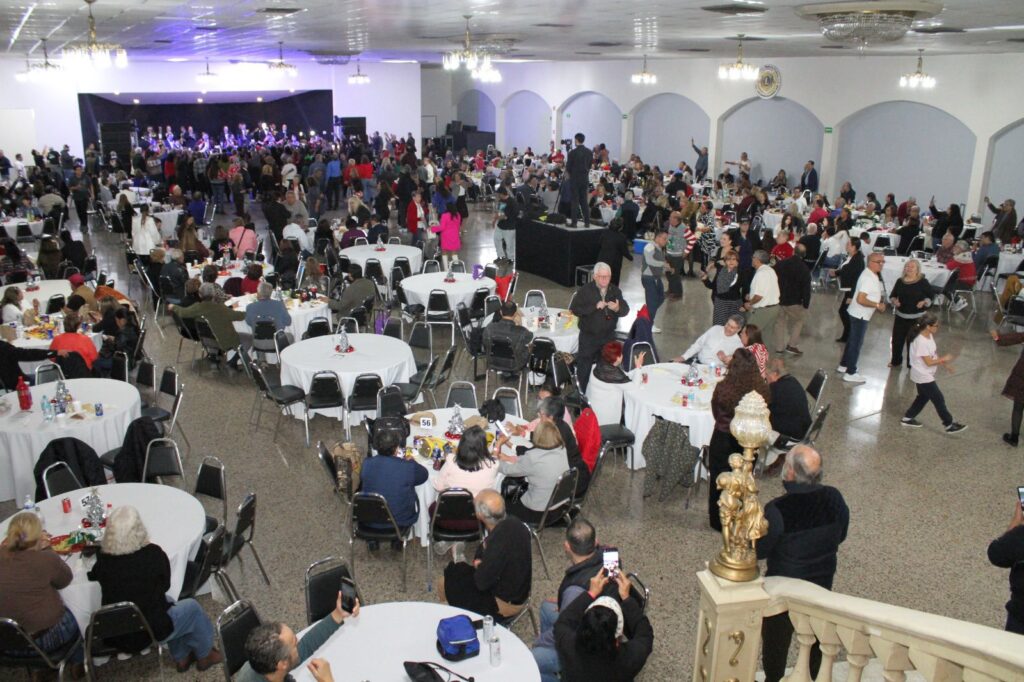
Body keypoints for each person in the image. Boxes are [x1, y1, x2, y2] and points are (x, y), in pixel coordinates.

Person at [87, 506, 222, 672]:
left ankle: (183, 657)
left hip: (115, 629)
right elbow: (166, 585)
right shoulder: (152, 554)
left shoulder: (104, 558)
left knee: (169, 603)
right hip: (148, 629)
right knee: (191, 608)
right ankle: (205, 655)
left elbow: (94, 574)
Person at [758, 445, 849, 682]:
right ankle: (813, 675)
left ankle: (773, 678)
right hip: (822, 582)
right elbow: (841, 534)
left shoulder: (778, 509)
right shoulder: (834, 497)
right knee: (817, 635)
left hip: (783, 587)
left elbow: (760, 550)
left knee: (776, 639)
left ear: (790, 473)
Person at [0, 511, 84, 677]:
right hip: (46, 638)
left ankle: (42, 669)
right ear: (38, 537)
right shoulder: (45, 559)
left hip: (6, 641)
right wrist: (48, 549)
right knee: (76, 609)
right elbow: (65, 580)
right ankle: (79, 662)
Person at [532, 518, 608, 681]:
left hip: (581, 647)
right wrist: (563, 603)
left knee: (530, 660)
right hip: (599, 626)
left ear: (567, 546)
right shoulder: (607, 557)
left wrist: (539, 641)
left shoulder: (574, 591)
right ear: (596, 541)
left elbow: (562, 629)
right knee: (546, 608)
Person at [438, 490, 532, 619]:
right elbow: (485, 552)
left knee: (448, 577)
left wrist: (480, 564)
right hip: (519, 591)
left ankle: (450, 615)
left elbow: (481, 583)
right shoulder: (515, 523)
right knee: (456, 571)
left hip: (504, 603)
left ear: (479, 515)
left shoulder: (497, 542)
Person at [553, 568, 654, 682]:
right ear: (618, 634)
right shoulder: (629, 659)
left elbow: (563, 621)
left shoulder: (568, 647)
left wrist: (591, 593)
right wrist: (626, 598)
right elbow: (645, 634)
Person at [708, 348, 770, 530]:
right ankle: (738, 516)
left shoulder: (723, 388)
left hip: (723, 438)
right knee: (743, 480)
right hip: (749, 441)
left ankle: (717, 520)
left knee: (719, 480)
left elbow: (715, 411)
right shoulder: (762, 390)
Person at [239, 594, 359, 682]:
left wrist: (338, 614)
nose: (299, 642)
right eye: (294, 643)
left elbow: (306, 645)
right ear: (282, 664)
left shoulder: (260, 665)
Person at [899, 313, 966, 433]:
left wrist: (945, 365)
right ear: (928, 326)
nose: (937, 328)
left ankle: (908, 418)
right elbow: (929, 362)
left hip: (925, 373)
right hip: (922, 375)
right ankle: (949, 424)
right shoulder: (920, 341)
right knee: (938, 398)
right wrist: (944, 359)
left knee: (923, 397)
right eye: (936, 326)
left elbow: (933, 354)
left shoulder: (929, 336)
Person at [495, 420, 570, 524]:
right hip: (560, 504)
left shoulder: (533, 457)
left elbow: (507, 470)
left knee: (497, 505)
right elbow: (529, 463)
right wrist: (510, 456)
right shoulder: (562, 449)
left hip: (539, 512)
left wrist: (496, 452)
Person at [571, 263, 630, 392]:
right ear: (595, 276)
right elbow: (575, 309)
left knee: (607, 368)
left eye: (607, 277)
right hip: (589, 337)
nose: (604, 279)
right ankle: (581, 394)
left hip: (608, 336)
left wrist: (618, 308)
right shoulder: (585, 291)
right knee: (584, 368)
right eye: (601, 276)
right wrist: (594, 307)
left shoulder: (615, 291)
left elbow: (626, 310)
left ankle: (602, 394)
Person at [359, 427, 429, 534]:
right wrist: (412, 462)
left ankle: (373, 540)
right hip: (400, 522)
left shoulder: (367, 463)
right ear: (396, 449)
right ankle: (398, 541)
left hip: (369, 520)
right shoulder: (407, 467)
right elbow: (424, 475)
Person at [838, 252, 886, 384]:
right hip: (860, 314)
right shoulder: (868, 278)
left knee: (851, 341)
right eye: (878, 262)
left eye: (883, 262)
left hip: (857, 313)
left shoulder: (870, 274)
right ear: (870, 262)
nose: (881, 264)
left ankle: (844, 365)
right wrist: (877, 305)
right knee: (856, 344)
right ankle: (851, 372)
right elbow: (861, 299)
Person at [173, 283, 247, 367]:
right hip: (223, 342)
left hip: (205, 339)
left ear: (200, 294)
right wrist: (250, 310)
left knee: (212, 330)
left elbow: (183, 312)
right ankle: (233, 362)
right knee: (249, 338)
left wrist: (173, 307)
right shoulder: (220, 307)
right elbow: (240, 316)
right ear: (213, 294)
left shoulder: (197, 307)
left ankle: (213, 357)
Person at [888, 258, 933, 368]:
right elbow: (893, 295)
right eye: (907, 266)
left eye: (912, 267)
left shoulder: (923, 282)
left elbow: (931, 296)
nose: (909, 268)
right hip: (900, 316)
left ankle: (911, 364)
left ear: (917, 269)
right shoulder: (900, 281)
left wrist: (924, 302)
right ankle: (896, 361)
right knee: (897, 340)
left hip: (917, 318)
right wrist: (894, 301)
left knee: (912, 342)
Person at [774, 243, 811, 355]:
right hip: (794, 301)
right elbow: (806, 289)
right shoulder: (804, 269)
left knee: (780, 322)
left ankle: (779, 347)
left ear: (793, 251)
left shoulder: (781, 263)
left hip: (779, 298)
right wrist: (806, 304)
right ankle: (792, 345)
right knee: (799, 321)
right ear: (804, 255)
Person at [766, 359, 811, 447]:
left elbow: (764, 407)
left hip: (790, 436)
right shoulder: (792, 380)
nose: (766, 378)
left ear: (775, 374)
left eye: (767, 375)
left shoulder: (776, 388)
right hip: (803, 428)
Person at [482, 299, 533, 372]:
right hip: (515, 365)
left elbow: (485, 343)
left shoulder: (489, 328)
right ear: (515, 314)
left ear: (501, 312)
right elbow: (530, 336)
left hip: (493, 362)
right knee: (531, 346)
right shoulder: (521, 331)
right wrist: (520, 324)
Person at [678, 314, 745, 366]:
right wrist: (684, 357)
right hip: (696, 362)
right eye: (727, 324)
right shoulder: (715, 328)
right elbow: (699, 344)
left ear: (738, 330)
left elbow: (735, 366)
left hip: (714, 370)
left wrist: (725, 359)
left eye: (732, 327)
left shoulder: (738, 345)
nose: (727, 328)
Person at [742, 250, 780, 341]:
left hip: (763, 311)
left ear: (757, 260)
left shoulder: (761, 273)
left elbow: (759, 296)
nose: (751, 259)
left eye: (753, 257)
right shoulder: (770, 270)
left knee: (747, 334)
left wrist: (750, 303)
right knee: (766, 336)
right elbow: (768, 290)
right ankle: (764, 350)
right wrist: (751, 295)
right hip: (774, 308)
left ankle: (749, 351)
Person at [833, 238, 865, 343]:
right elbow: (846, 269)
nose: (846, 246)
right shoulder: (853, 257)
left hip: (852, 290)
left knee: (844, 312)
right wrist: (837, 272)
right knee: (844, 312)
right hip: (849, 289)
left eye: (848, 244)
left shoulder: (857, 260)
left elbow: (855, 278)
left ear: (854, 247)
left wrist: (851, 296)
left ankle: (849, 335)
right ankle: (847, 335)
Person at [701, 250, 744, 326]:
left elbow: (745, 289)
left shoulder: (741, 273)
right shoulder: (720, 271)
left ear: (737, 261)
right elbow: (713, 286)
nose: (731, 261)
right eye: (728, 259)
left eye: (734, 259)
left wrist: (744, 305)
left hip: (735, 303)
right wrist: (705, 280)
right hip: (720, 302)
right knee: (719, 325)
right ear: (725, 261)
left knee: (733, 325)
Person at [640, 229, 670, 332]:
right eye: (664, 239)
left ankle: (646, 314)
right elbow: (650, 261)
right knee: (652, 303)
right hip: (649, 278)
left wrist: (666, 267)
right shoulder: (649, 247)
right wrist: (663, 264)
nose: (666, 241)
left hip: (656, 278)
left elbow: (658, 261)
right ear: (657, 237)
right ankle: (648, 324)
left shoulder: (658, 248)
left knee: (661, 297)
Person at [664, 211, 696, 301]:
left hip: (677, 256)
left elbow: (693, 239)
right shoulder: (671, 225)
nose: (669, 218)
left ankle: (678, 294)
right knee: (668, 273)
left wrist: (686, 251)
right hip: (669, 254)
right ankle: (671, 290)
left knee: (675, 275)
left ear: (676, 219)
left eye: (671, 217)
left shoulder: (684, 229)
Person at [596, 218, 633, 287]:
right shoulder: (621, 237)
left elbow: (599, 244)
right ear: (621, 227)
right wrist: (631, 258)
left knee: (601, 281)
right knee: (613, 283)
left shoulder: (604, 232)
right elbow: (624, 251)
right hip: (614, 263)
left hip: (602, 260)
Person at [567, 133, 592, 227]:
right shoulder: (589, 152)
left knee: (575, 201)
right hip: (584, 178)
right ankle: (587, 222)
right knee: (584, 201)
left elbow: (568, 167)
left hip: (575, 179)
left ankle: (574, 222)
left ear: (576, 140)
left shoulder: (572, 153)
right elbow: (589, 166)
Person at [431, 202, 462, 270]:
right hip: (455, 236)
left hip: (446, 237)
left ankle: (446, 269)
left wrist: (432, 228)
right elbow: (458, 226)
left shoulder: (445, 215)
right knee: (454, 253)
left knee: (444, 252)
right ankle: (457, 268)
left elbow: (442, 227)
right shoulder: (457, 215)